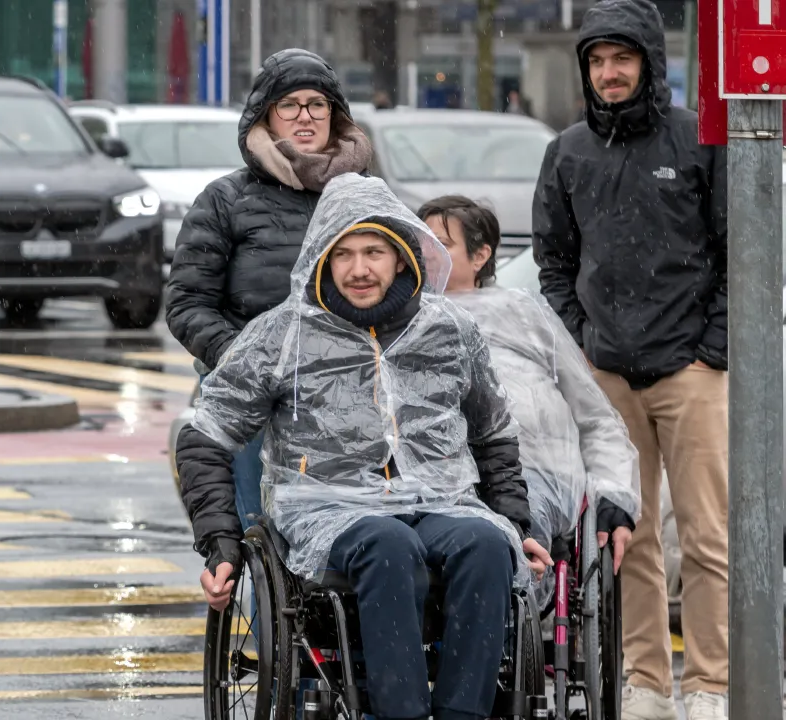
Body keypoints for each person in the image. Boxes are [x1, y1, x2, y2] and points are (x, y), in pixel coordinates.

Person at [178, 174, 551, 720]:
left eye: (374, 251)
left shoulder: (450, 329)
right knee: (387, 542)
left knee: (486, 544)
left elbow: (493, 434)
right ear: (323, 261)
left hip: (441, 500)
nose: (359, 269)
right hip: (327, 507)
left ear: (402, 257)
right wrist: (220, 543)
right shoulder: (282, 335)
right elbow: (207, 436)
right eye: (344, 253)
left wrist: (517, 522)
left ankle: (463, 713)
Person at [531, 1, 729, 717]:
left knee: (708, 536)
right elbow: (552, 262)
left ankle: (709, 681)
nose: (609, 73)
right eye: (597, 61)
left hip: (691, 372)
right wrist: (584, 344)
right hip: (608, 374)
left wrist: (714, 350)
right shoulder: (569, 152)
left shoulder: (699, 141)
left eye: (622, 58)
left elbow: (740, 251)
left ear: (650, 61)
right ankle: (646, 681)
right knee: (628, 539)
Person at [167, 48, 373, 531]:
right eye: (290, 105)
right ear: (266, 116)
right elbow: (187, 303)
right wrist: (250, 360)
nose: (305, 116)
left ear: (335, 115)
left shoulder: (367, 197)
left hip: (350, 394)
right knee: (266, 532)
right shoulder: (226, 199)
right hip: (255, 398)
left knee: (359, 530)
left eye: (317, 104)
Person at [418, 196, 639, 572]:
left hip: (530, 476)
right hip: (432, 480)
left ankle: (508, 611)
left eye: (442, 243)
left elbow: (596, 418)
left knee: (514, 532)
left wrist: (614, 494)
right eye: (419, 241)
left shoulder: (524, 314)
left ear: (480, 255)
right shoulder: (401, 321)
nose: (426, 253)